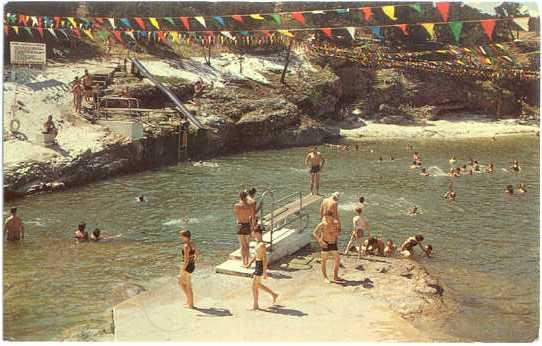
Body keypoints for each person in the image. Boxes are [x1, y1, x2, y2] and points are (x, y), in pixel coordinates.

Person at [246, 227, 278, 310]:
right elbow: (256, 255)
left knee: (254, 286)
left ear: (258, 233)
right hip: (257, 264)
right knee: (257, 285)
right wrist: (250, 263)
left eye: (253, 232)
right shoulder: (257, 243)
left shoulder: (262, 245)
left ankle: (255, 305)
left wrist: (264, 272)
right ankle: (274, 294)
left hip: (260, 265)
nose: (252, 234)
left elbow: (265, 259)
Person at [313, 211, 342, 283]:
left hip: (333, 243)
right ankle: (325, 277)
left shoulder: (335, 223)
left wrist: (336, 233)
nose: (326, 218)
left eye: (327, 217)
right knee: (324, 261)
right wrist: (320, 241)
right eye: (325, 217)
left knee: (337, 260)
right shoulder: (322, 224)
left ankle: (335, 276)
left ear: (331, 217)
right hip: (325, 243)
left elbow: (339, 231)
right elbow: (314, 233)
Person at [178, 229, 199, 309]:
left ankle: (191, 304)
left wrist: (182, 269)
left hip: (187, 267)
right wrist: (193, 261)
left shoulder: (186, 246)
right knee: (184, 283)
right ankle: (189, 301)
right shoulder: (193, 243)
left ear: (185, 237)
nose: (181, 238)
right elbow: (197, 254)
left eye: (181, 236)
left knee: (184, 284)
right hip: (192, 266)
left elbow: (186, 260)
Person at [234, 191, 255, 266]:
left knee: (242, 245)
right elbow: (253, 217)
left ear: (239, 197)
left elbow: (236, 215)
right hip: (247, 225)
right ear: (246, 197)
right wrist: (252, 228)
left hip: (240, 225)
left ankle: (243, 262)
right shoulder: (250, 206)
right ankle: (247, 261)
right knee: (247, 245)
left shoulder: (236, 206)